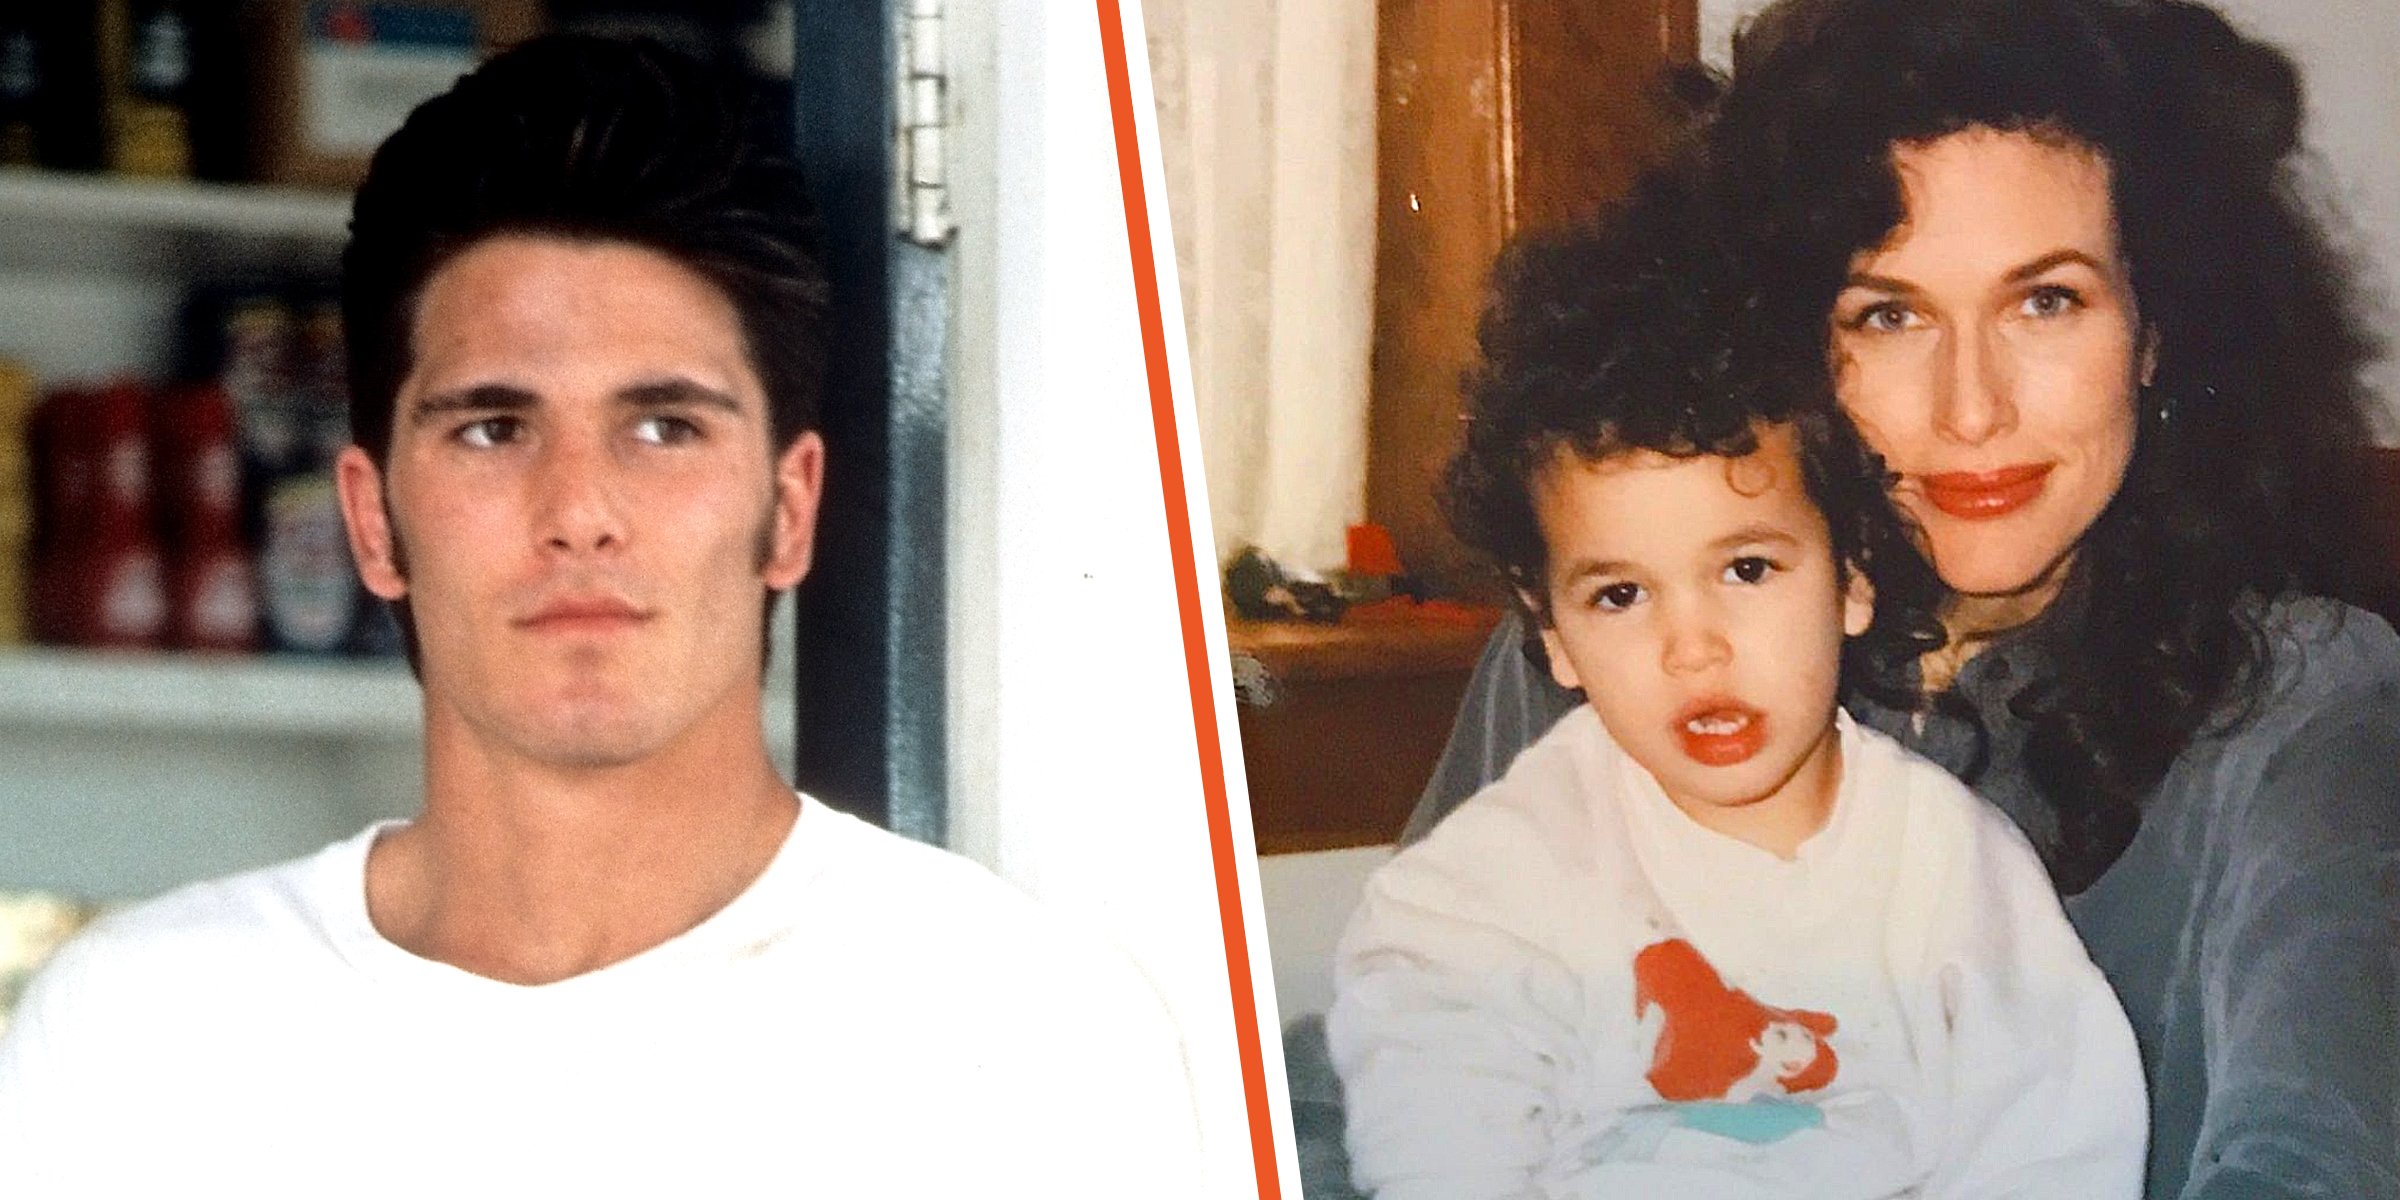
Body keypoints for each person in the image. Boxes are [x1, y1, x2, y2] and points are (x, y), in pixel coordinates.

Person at [0, 36, 1200, 1194]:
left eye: (665, 426)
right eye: (492, 427)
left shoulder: (1027, 1035)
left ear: (789, 511)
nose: (579, 511)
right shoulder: (130, 1046)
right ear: (372, 522)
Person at [1380, 0, 2400, 1197]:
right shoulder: (1633, 642)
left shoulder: (2301, 707)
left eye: (2047, 300)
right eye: (1890, 313)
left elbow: (2319, 1161)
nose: (1974, 409)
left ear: (2156, 334)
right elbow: (1389, 1066)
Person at [1326, 171, 2144, 1198]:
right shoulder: (1502, 877)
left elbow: (2054, 1136)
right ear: (1555, 639)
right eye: (1621, 596)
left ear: (1851, 579)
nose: (1692, 649)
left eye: (1747, 570)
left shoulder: (1946, 868)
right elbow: (1437, 1122)